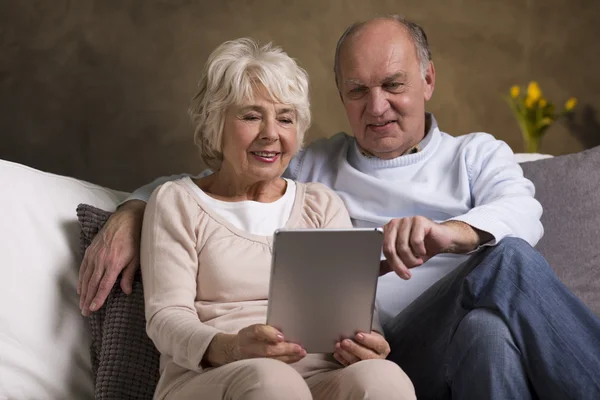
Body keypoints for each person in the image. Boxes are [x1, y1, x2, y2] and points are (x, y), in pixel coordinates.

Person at [79, 15, 600, 400]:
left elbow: (523, 212)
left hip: (432, 343)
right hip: (390, 345)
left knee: (495, 307)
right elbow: (219, 177)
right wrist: (132, 209)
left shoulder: (475, 153)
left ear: (428, 80)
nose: (377, 107)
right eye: (358, 91)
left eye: (393, 85)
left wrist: (451, 233)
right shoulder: (317, 167)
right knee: (503, 270)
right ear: (341, 96)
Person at [135, 37, 415, 399]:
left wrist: (368, 343)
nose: (271, 133)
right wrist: (233, 346)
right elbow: (166, 319)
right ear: (214, 123)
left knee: (384, 378)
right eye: (251, 116)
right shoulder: (178, 202)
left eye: (285, 118)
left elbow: (357, 314)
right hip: (216, 376)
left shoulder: (321, 205)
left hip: (320, 377)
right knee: (273, 382)